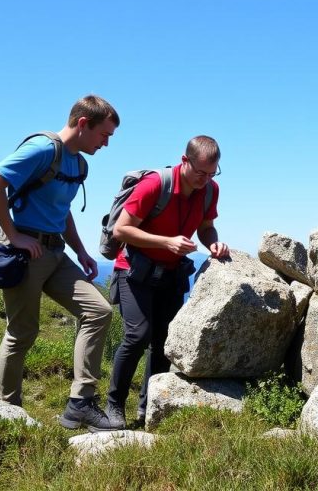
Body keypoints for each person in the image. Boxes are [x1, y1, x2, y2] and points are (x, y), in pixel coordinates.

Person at [0, 95, 122, 431]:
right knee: (22, 332)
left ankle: (80, 403)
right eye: (104, 135)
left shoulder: (77, 163)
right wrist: (15, 235)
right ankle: (7, 412)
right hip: (25, 253)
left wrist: (82, 251)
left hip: (56, 253)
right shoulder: (44, 149)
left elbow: (62, 209)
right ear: (83, 124)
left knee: (99, 311)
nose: (106, 144)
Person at [106, 135, 230, 428]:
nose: (205, 179)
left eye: (212, 173)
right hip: (134, 271)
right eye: (200, 172)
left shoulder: (210, 190)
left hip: (171, 274)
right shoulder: (155, 185)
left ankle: (149, 407)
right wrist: (167, 242)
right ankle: (113, 405)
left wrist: (214, 243)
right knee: (138, 335)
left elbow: (206, 227)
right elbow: (121, 230)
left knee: (163, 342)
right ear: (184, 161)